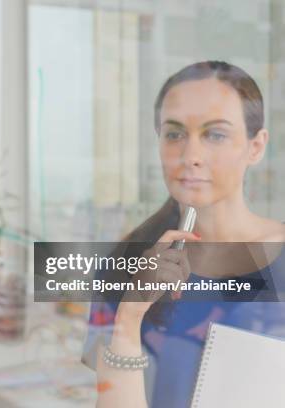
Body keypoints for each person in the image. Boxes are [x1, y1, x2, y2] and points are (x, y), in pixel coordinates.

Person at [81, 61, 285, 408]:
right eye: (174, 134)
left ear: (256, 146)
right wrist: (129, 318)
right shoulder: (124, 263)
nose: (190, 156)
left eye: (215, 134)